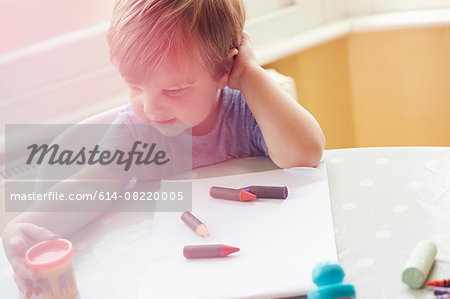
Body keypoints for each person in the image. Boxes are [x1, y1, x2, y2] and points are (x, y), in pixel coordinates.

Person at [2, 0, 325, 297]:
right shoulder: (134, 133)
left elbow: (305, 154)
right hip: (170, 276)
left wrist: (250, 73)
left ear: (224, 69)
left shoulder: (246, 111)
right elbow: (89, 186)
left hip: (255, 263)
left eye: (174, 90)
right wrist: (22, 225)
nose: (151, 109)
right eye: (135, 87)